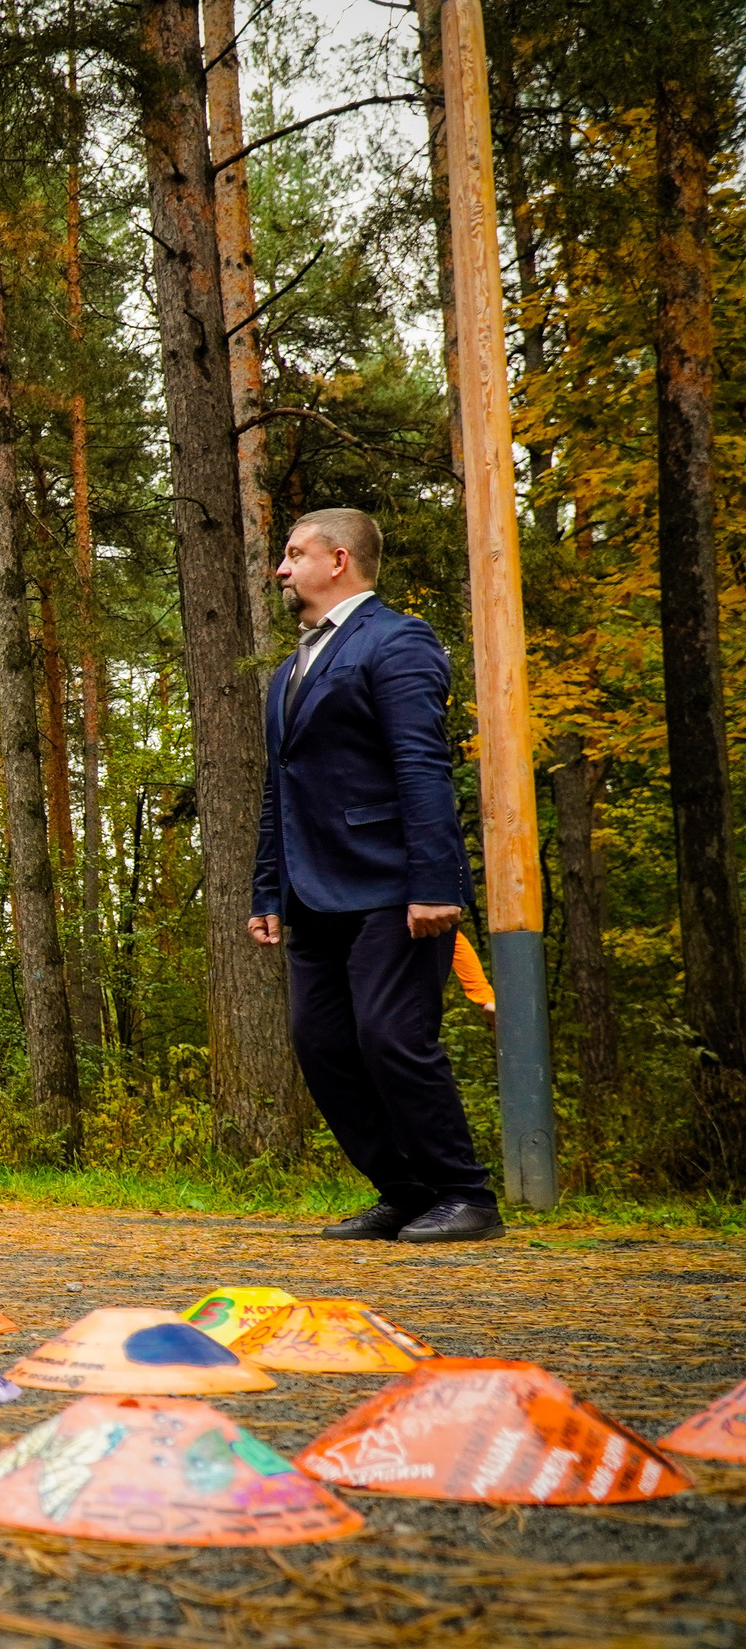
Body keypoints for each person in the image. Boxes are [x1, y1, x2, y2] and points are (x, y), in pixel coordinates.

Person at [250, 506, 499, 1244]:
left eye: (294, 553)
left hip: (392, 882)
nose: (282, 567)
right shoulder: (292, 667)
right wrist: (267, 888)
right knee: (319, 1042)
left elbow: (423, 765)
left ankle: (466, 1194)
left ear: (339, 561)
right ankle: (406, 1189)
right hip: (309, 889)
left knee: (392, 1035)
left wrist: (436, 882)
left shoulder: (398, 641)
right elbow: (280, 786)